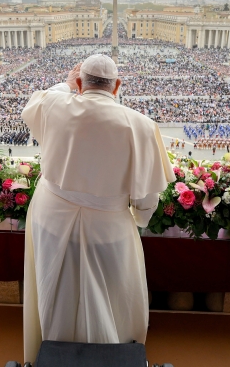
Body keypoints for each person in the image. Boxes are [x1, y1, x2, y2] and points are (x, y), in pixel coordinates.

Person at [20, 54, 174, 364]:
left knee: (55, 289)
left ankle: (52, 350)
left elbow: (35, 105)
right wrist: (139, 219)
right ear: (117, 86)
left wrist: (66, 85)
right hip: (108, 225)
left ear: (79, 83)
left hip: (51, 216)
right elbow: (147, 196)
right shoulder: (140, 125)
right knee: (111, 296)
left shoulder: (55, 104)